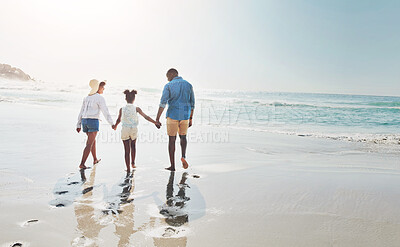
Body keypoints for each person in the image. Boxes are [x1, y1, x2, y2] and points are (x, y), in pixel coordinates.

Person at [156, 69, 195, 171]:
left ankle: (172, 166)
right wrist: (190, 118)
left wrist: (157, 118)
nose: (168, 79)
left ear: (172, 74)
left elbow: (163, 103)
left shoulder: (168, 86)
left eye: (168, 76)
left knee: (172, 140)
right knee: (183, 137)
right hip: (184, 115)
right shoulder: (188, 85)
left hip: (172, 115)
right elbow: (192, 104)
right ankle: (183, 156)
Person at [113, 90, 161, 173]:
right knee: (133, 146)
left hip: (125, 129)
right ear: (134, 99)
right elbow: (146, 117)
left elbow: (118, 119)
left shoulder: (122, 109)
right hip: (133, 129)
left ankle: (128, 168)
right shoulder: (137, 108)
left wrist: (115, 126)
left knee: (126, 150)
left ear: (125, 98)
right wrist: (155, 122)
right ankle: (133, 163)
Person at [76, 79, 114, 169]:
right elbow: (105, 112)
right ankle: (82, 164)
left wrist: (78, 124)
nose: (104, 89)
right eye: (103, 87)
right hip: (93, 121)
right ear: (98, 87)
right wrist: (112, 123)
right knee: (89, 143)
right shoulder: (100, 98)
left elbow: (81, 111)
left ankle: (95, 159)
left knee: (92, 141)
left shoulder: (86, 97)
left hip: (85, 121)